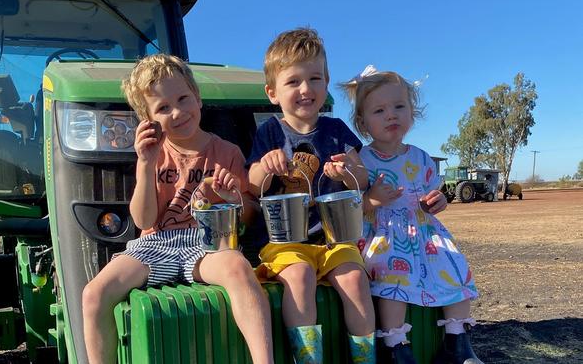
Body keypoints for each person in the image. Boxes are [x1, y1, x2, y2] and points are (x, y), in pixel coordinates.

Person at [82, 54, 274, 364]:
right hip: (154, 244)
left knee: (238, 268)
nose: (178, 111)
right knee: (93, 294)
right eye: (163, 108)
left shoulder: (226, 152)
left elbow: (247, 218)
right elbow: (143, 220)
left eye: (183, 98)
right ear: (149, 120)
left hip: (207, 242)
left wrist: (232, 198)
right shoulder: (153, 156)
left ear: (198, 98)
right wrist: (144, 164)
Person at [246, 28, 376, 363]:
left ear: (327, 82)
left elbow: (361, 180)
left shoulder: (337, 131)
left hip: (333, 240)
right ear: (272, 92)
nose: (306, 89)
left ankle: (365, 357)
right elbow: (251, 182)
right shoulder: (270, 132)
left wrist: (349, 169)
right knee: (300, 276)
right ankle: (308, 359)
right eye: (293, 82)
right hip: (285, 243)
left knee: (355, 280)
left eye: (315, 78)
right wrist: (266, 166)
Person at [339, 65, 481, 364]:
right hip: (384, 234)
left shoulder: (421, 157)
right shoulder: (362, 160)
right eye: (379, 111)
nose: (391, 115)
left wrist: (437, 201)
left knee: (454, 263)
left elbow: (434, 194)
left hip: (424, 232)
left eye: (399, 107)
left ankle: (457, 340)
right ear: (363, 123)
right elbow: (355, 206)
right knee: (393, 273)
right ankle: (395, 345)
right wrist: (373, 199)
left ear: (412, 113)